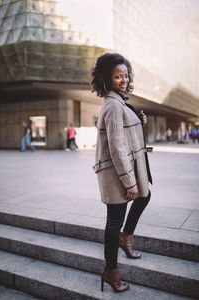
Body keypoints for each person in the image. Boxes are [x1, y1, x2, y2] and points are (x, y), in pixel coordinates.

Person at [91, 53, 152, 293]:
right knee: (114, 220)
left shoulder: (118, 102)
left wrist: (138, 121)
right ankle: (111, 272)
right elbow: (116, 147)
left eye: (126, 75)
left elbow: (122, 133)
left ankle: (126, 238)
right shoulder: (113, 105)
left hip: (123, 169)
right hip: (118, 172)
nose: (124, 80)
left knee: (145, 196)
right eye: (118, 76)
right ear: (107, 78)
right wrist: (129, 182)